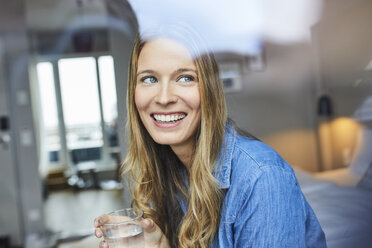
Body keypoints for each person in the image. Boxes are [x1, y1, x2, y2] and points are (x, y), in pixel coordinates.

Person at [94, 25, 326, 248]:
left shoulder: (262, 178)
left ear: (209, 90)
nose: (164, 98)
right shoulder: (169, 169)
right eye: (149, 79)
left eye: (185, 78)